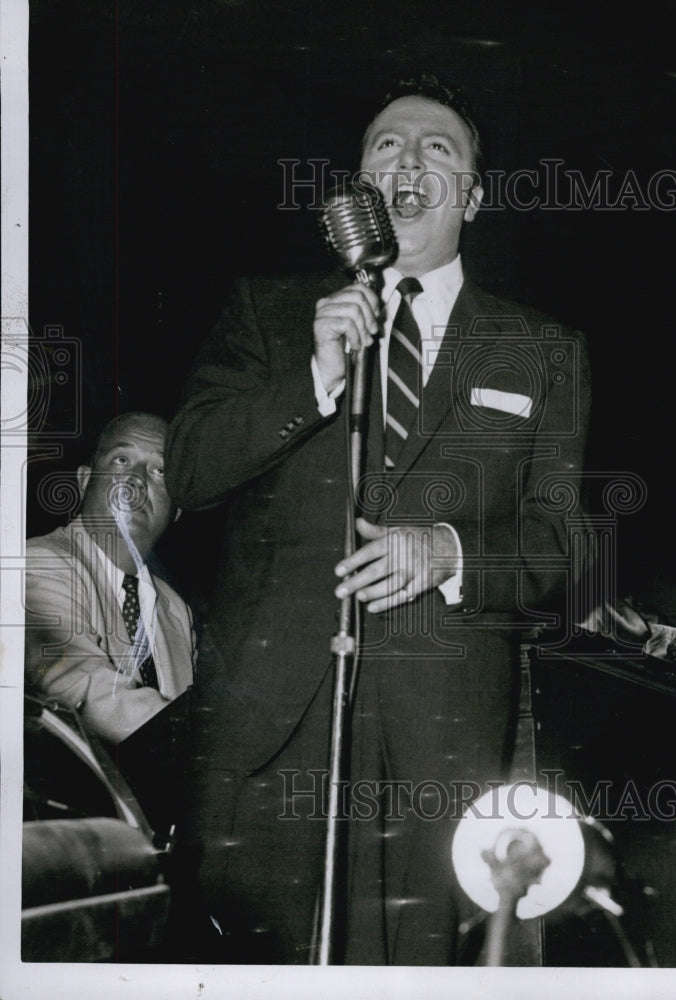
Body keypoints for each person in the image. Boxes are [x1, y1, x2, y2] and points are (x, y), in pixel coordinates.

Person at [165, 73, 591, 965]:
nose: (408, 158)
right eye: (386, 145)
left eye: (438, 148)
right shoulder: (267, 312)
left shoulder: (541, 348)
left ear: (470, 196)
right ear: (360, 186)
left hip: (439, 749)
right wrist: (313, 380)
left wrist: (450, 551)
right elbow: (191, 474)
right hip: (265, 737)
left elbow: (567, 549)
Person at [25, 411, 196, 837]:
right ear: (84, 481)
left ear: (176, 511)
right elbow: (78, 687)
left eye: (160, 470)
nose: (137, 480)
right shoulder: (38, 563)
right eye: (122, 460)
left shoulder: (176, 610)